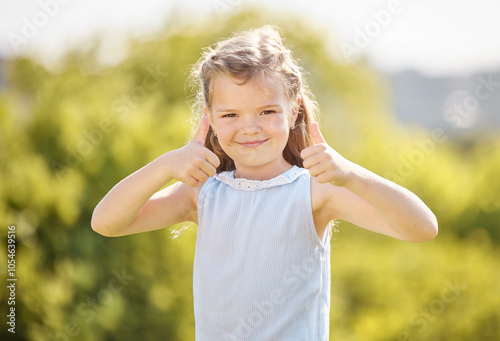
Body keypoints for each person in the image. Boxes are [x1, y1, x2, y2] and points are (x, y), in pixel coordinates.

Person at [91, 25, 438, 340]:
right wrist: (165, 165)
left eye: (267, 111)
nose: (250, 127)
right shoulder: (203, 194)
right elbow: (106, 222)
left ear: (293, 110)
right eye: (230, 115)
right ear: (209, 118)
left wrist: (351, 174)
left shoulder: (314, 191)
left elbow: (422, 227)